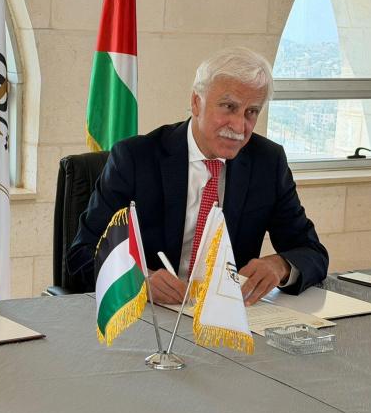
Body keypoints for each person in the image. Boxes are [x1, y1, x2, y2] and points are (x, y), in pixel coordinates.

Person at [68, 47, 328, 306]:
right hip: (150, 314)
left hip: (225, 316)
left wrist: (280, 265)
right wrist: (137, 281)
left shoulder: (267, 162)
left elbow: (312, 252)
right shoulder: (135, 158)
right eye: (229, 107)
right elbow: (82, 254)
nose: (239, 126)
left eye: (251, 112)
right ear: (196, 102)